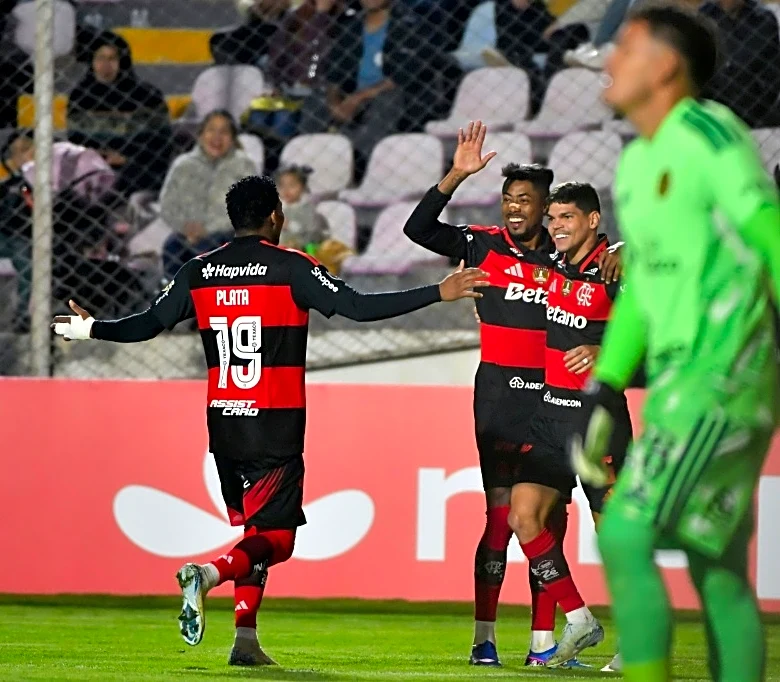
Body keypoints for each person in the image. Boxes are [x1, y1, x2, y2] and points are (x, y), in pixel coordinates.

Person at [51, 174, 489, 667]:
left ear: (233, 219)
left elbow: (149, 324)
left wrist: (91, 328)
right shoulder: (292, 267)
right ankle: (209, 575)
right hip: (274, 423)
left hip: (223, 424)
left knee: (257, 534)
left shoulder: (199, 270)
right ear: (275, 217)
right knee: (277, 541)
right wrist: (439, 291)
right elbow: (356, 307)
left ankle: (245, 642)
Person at [572, 5, 780, 681]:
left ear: (664, 66)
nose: (609, 57)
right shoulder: (637, 162)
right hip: (679, 382)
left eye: (625, 47)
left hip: (721, 377)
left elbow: (770, 233)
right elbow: (643, 292)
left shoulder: (708, 135)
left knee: (627, 536)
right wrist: (606, 381)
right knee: (716, 569)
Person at [403, 121, 622, 668]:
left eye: (527, 202)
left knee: (554, 519)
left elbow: (611, 273)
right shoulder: (482, 244)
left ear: (549, 209)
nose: (515, 210)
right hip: (501, 394)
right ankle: (484, 637)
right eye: (508, 200)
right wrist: (457, 173)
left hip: (554, 396)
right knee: (500, 520)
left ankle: (544, 644)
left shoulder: (565, 256)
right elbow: (418, 227)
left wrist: (624, 248)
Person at [507, 181, 631, 668]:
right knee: (524, 515)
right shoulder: (553, 264)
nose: (556, 226)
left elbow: (655, 332)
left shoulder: (617, 271)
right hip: (549, 413)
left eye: (567, 218)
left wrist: (607, 352)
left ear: (594, 220)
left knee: (614, 535)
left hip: (597, 416)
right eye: (552, 218)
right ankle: (579, 618)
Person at [67, 31, 173, 196]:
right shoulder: (80, 97)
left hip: (139, 168)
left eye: (112, 59)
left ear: (122, 62)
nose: (105, 65)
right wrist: (101, 156)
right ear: (92, 62)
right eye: (100, 58)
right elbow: (76, 141)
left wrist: (126, 158)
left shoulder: (148, 96)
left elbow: (160, 143)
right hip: (95, 168)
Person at [160, 110, 256, 282]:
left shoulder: (244, 166)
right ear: (200, 135)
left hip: (229, 234)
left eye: (224, 131)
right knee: (172, 246)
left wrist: (208, 228)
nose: (217, 137)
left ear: (233, 138)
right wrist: (186, 227)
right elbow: (167, 204)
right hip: (187, 233)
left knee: (209, 249)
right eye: (211, 130)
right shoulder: (183, 165)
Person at [700, 0, 780, 127]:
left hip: (756, 110)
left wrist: (758, 106)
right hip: (715, 109)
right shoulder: (703, 17)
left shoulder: (764, 18)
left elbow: (773, 74)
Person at [276, 165, 329, 251]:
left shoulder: (307, 209)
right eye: (282, 186)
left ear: (303, 187)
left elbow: (312, 235)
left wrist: (289, 225)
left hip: (302, 249)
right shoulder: (276, 207)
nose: (286, 190)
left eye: (292, 185)